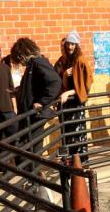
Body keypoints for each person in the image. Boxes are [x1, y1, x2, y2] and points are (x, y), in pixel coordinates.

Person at [10, 37, 61, 156]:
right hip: (30, 115)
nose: (20, 63)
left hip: (36, 114)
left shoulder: (38, 62)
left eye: (19, 59)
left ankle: (35, 173)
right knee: (29, 146)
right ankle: (35, 172)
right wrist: (19, 91)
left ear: (22, 54)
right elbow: (35, 86)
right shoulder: (32, 65)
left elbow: (54, 82)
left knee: (33, 147)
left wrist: (41, 102)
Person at [54, 30, 94, 163]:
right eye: (68, 44)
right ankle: (72, 160)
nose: (70, 47)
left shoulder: (80, 60)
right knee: (69, 132)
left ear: (77, 45)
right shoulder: (65, 62)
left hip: (76, 103)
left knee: (78, 132)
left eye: (73, 44)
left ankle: (81, 161)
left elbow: (84, 85)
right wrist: (65, 75)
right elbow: (62, 83)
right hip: (68, 104)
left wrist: (69, 93)